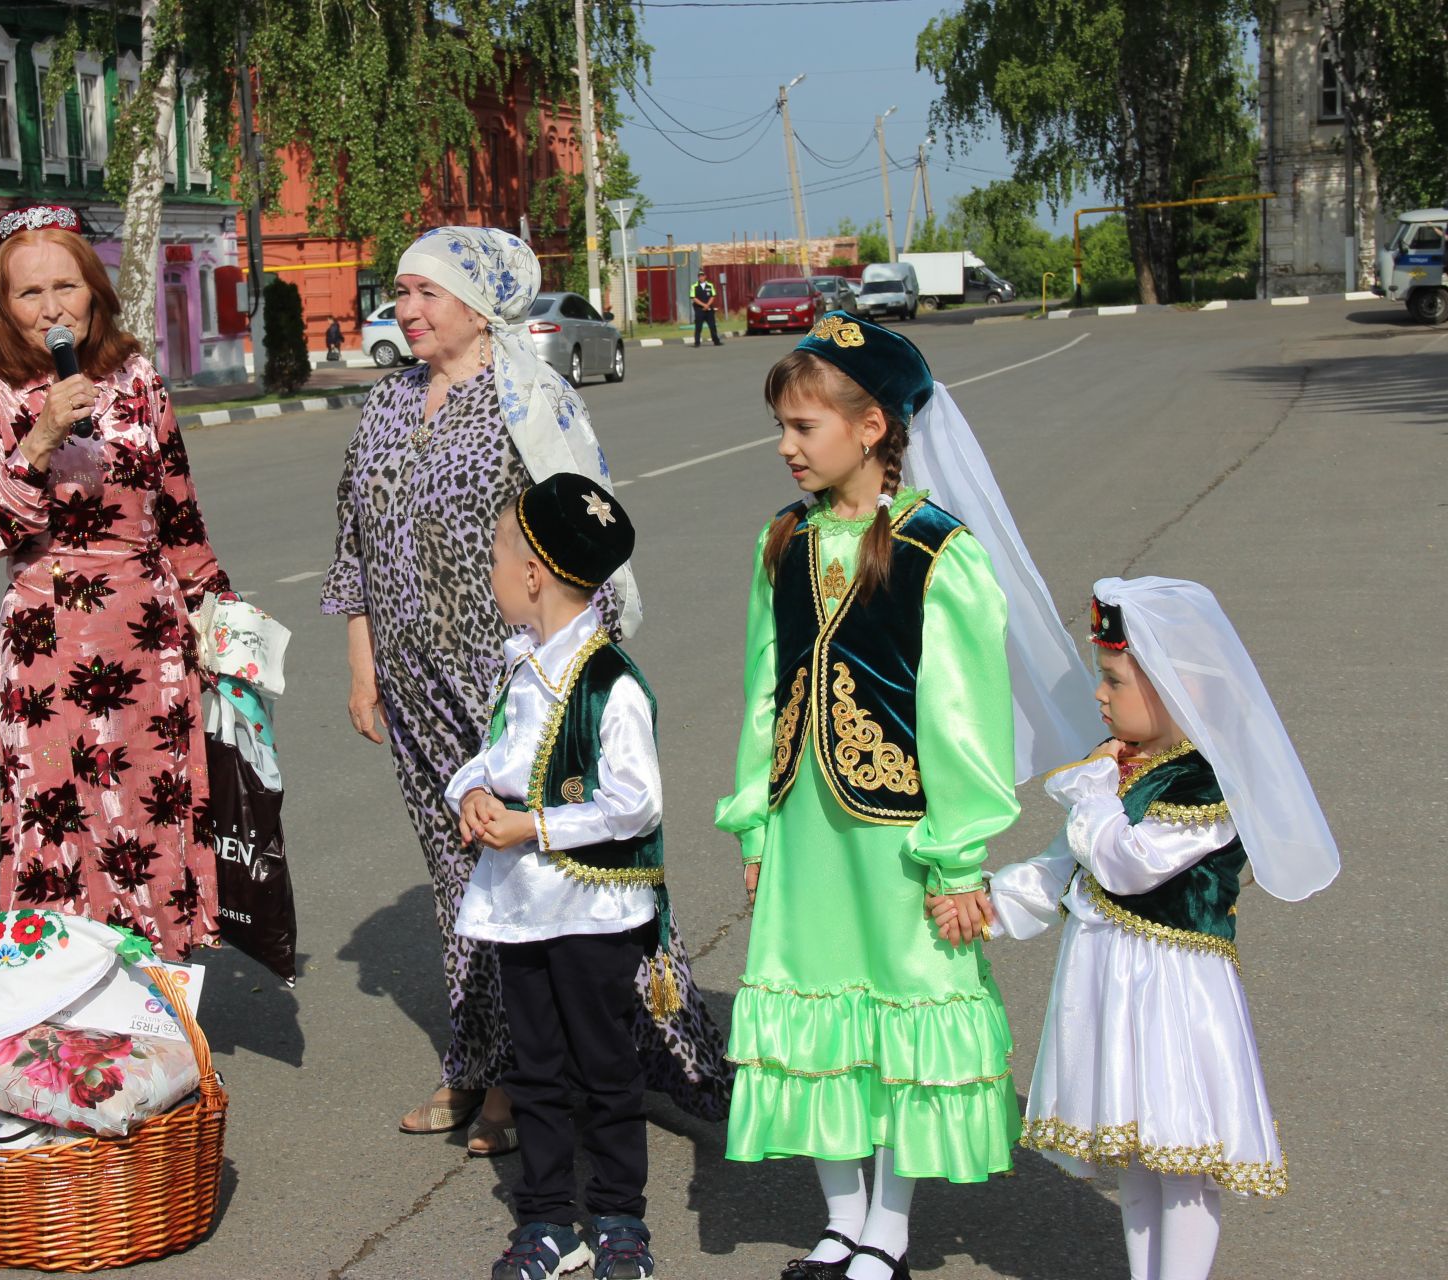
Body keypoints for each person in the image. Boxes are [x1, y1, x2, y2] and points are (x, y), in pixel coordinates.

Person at [322, 226, 730, 1156]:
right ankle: (483, 1058)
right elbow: (353, 533)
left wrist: (580, 676)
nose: (408, 312)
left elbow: (583, 543)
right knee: (452, 872)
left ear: (478, 305)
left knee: (522, 867)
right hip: (412, 679)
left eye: (427, 295)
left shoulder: (529, 402)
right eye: (401, 293)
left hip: (508, 679)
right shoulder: (385, 404)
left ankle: (527, 1075)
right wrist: (361, 661)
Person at [716, 312, 1097, 1280]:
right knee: (816, 1012)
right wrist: (754, 817)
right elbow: (767, 685)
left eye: (804, 426)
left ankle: (888, 1225)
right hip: (807, 823)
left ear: (873, 426)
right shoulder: (782, 541)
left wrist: (956, 853)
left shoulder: (936, 551)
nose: (785, 445)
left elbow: (961, 719)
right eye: (784, 426)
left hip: (897, 836)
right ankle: (839, 1219)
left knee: (902, 1008)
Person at [944, 577, 1340, 1280]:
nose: (1099, 695)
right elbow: (1063, 864)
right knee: (1132, 1153)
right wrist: (988, 904)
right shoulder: (1124, 764)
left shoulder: (1206, 783)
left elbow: (1127, 864)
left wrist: (1093, 789)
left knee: (1178, 1152)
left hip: (1173, 990)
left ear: (1174, 689)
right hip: (1106, 979)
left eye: (1113, 680)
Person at [0, 204, 232, 957]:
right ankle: (72, 1006)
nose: (51, 309)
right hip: (50, 645)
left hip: (151, 641)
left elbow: (180, 513)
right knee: (65, 821)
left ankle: (161, 1004)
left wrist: (222, 617)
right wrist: (38, 440)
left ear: (94, 292)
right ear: (4, 307)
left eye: (65, 288)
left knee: (150, 816)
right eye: (29, 295)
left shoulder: (136, 378)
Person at [446, 474, 673, 1280]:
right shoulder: (523, 669)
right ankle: (547, 1219)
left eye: (499, 560)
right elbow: (495, 756)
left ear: (534, 575)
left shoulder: (610, 683)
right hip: (521, 908)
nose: (495, 576)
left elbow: (635, 803)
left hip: (591, 910)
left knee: (604, 1068)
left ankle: (617, 1215)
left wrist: (532, 826)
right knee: (532, 1066)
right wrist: (471, 789)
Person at [690, 275, 722, 347]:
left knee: (712, 326)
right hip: (699, 309)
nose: (701, 278)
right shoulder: (694, 286)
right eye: (699, 276)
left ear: (705, 277)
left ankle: (716, 341)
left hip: (709, 309)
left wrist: (707, 305)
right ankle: (697, 342)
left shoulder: (710, 285)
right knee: (698, 327)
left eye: (702, 276)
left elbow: (712, 296)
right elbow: (693, 298)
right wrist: (704, 305)